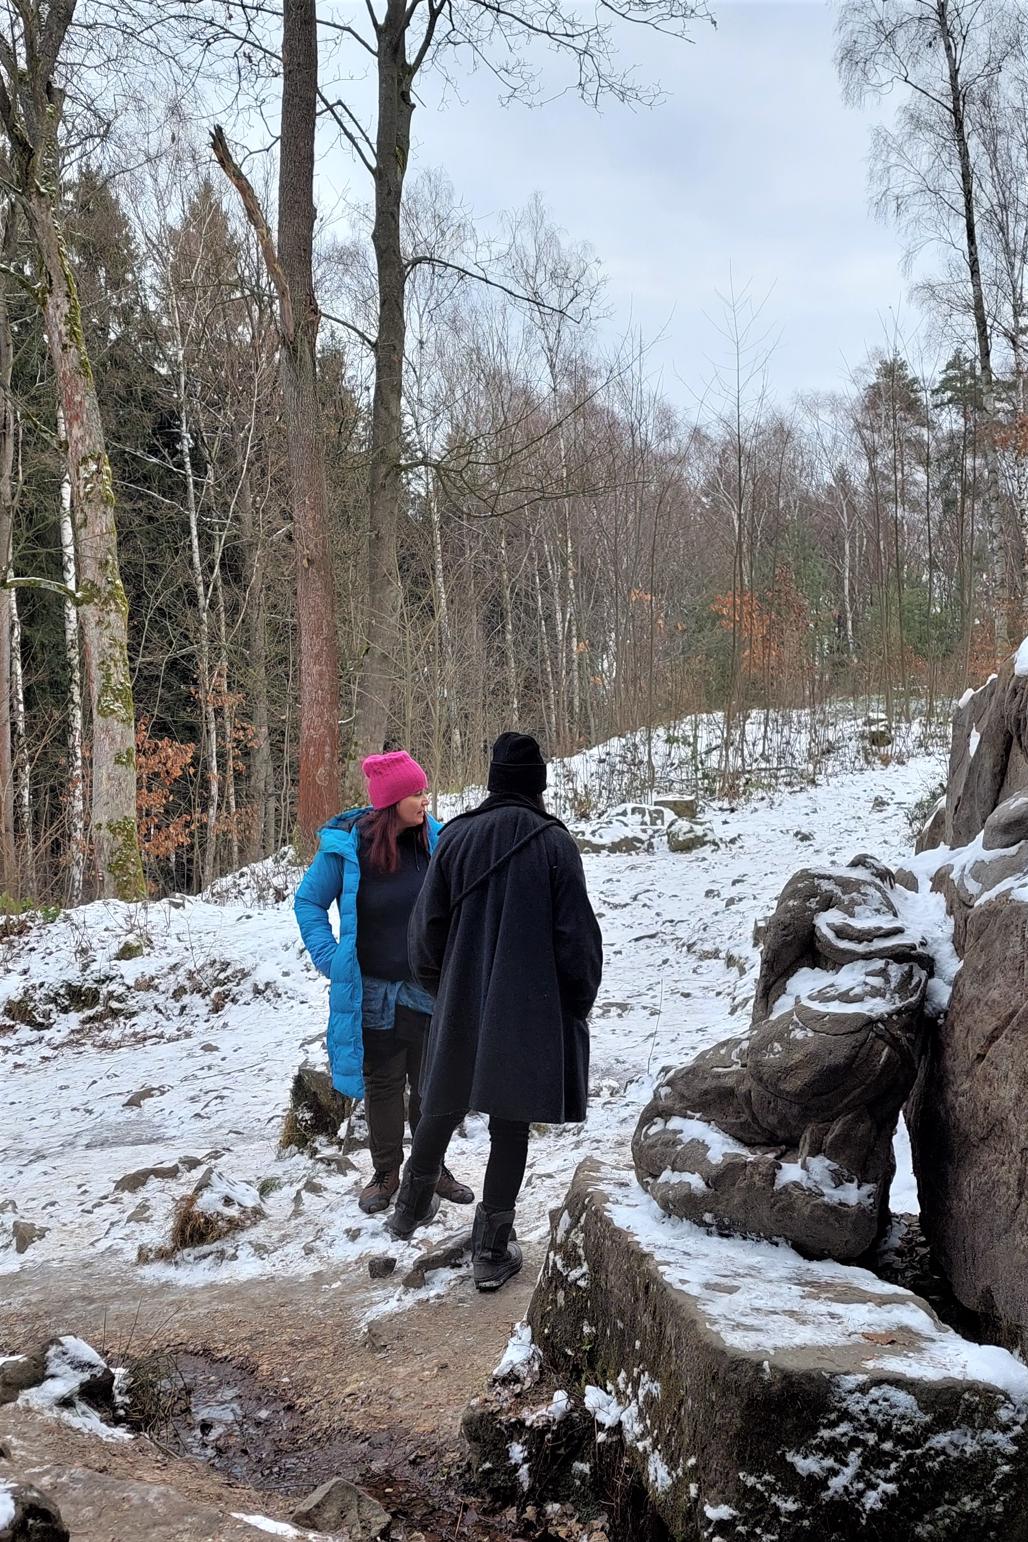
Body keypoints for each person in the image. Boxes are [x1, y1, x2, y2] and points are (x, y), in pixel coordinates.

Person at [389, 731, 603, 1292]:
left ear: (493, 780)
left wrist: (450, 989)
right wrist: (574, 1006)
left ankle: (409, 1208)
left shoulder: (455, 838)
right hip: (527, 1011)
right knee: (510, 1125)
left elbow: (423, 938)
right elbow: (577, 943)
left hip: (459, 999)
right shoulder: (554, 844)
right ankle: (490, 1251)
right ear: (538, 784)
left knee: (443, 1101)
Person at [293, 750, 474, 1216]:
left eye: (424, 791)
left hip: (428, 987)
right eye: (416, 793)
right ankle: (386, 1172)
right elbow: (308, 902)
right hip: (373, 992)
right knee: (384, 1084)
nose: (425, 800)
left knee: (432, 1084)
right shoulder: (347, 849)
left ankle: (431, 1167)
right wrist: (332, 958)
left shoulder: (438, 841)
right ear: (392, 801)